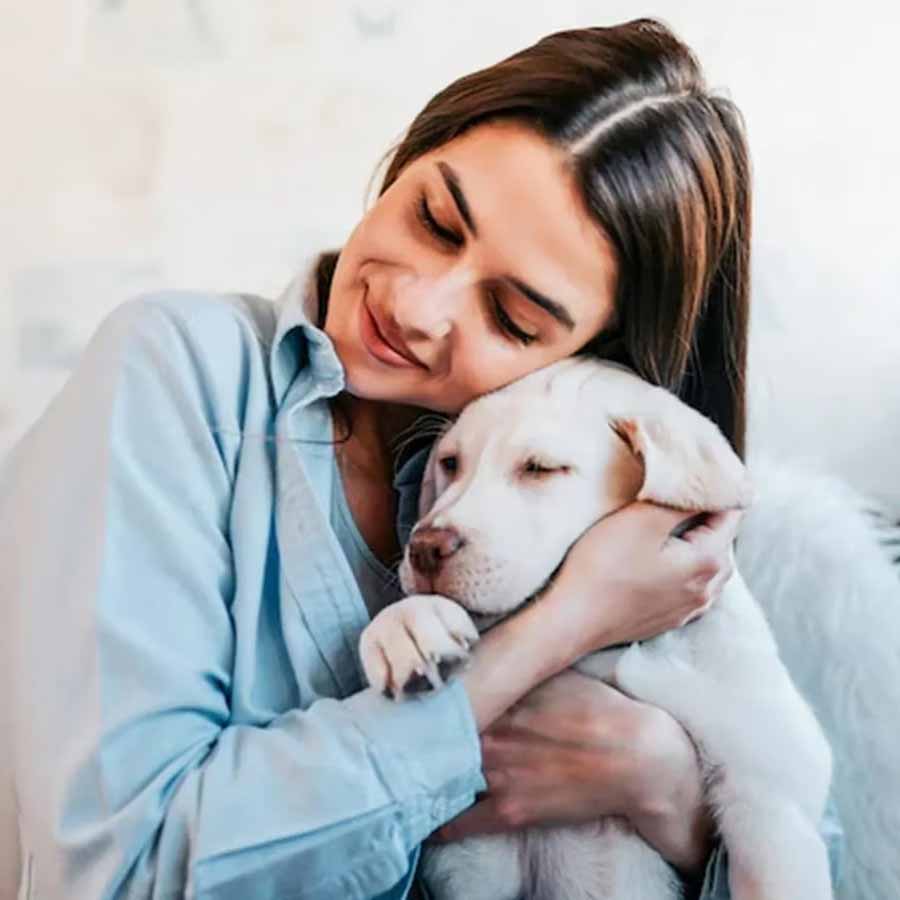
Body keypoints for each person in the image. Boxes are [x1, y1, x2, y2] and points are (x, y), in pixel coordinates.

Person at [0, 17, 842, 900]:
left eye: (512, 318)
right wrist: (552, 634)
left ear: (592, 358)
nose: (415, 304)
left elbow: (806, 829)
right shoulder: (177, 372)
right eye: (434, 218)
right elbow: (115, 873)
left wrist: (666, 788)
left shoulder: (609, 487)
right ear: (409, 155)